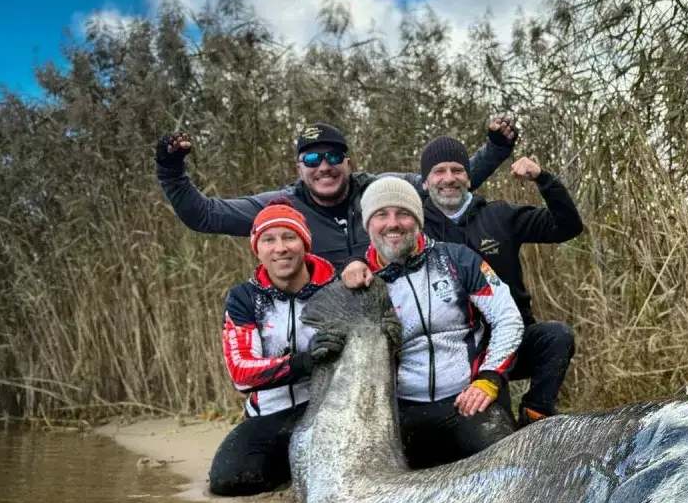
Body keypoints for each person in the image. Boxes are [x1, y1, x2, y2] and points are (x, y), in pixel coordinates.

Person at [343, 134, 583, 425]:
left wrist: (544, 178)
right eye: (439, 171)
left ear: (469, 178)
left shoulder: (500, 215)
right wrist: (354, 262)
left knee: (556, 337)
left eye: (457, 170)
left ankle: (535, 415)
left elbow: (567, 226)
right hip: (454, 344)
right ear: (424, 182)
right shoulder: (412, 227)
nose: (449, 178)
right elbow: (377, 240)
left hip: (506, 330)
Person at [155, 119, 517, 270]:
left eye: (333, 156)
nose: (323, 166)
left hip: (396, 318)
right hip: (327, 328)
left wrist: (496, 147)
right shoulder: (283, 205)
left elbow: (445, 185)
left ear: (348, 161)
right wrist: (171, 169)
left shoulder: (381, 189)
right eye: (312, 158)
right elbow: (203, 215)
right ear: (299, 168)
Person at [358, 176, 525, 468]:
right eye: (381, 215)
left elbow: (508, 318)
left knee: (506, 466)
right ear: (368, 225)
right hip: (400, 411)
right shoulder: (358, 282)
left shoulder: (458, 259)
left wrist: (488, 378)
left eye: (404, 213)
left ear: (419, 220)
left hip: (466, 400)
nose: (393, 223)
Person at [208, 202, 344, 496]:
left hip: (327, 413)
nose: (280, 248)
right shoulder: (244, 298)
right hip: (270, 415)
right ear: (257, 250)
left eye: (289, 237)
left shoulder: (336, 288)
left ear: (304, 243)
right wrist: (304, 362)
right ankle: (289, 472)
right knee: (227, 480)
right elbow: (241, 374)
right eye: (269, 240)